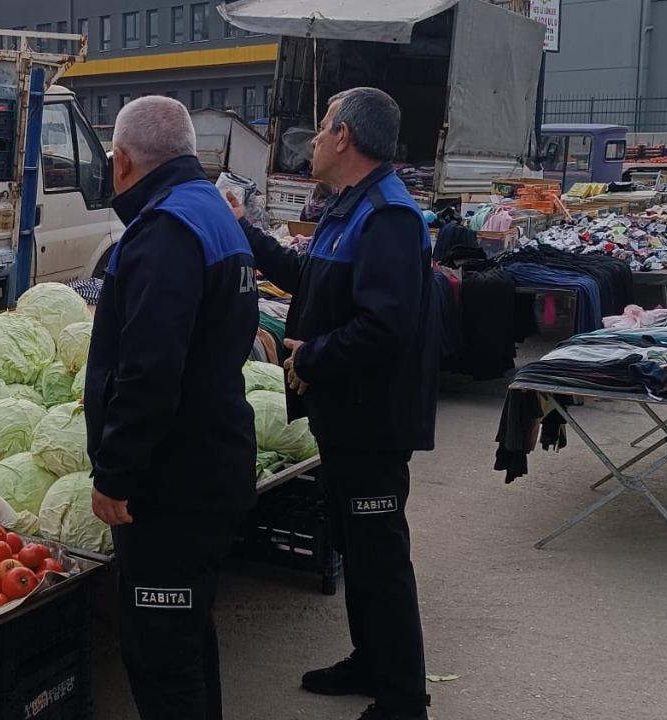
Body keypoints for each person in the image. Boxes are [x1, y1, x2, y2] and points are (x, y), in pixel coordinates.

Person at [229, 87, 438, 720]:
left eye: (322, 128)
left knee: (380, 555)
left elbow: (386, 327)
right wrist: (243, 230)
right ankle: (369, 659)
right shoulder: (348, 208)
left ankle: (404, 697)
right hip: (343, 416)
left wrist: (309, 357)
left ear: (345, 136)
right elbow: (308, 280)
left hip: (373, 420)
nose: (314, 140)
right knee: (355, 541)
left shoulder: (390, 217)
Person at [83, 96, 259, 720]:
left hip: (173, 480)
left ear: (123, 161)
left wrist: (115, 474)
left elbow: (149, 372)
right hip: (212, 458)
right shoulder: (210, 210)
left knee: (160, 655)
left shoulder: (164, 230)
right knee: (185, 634)